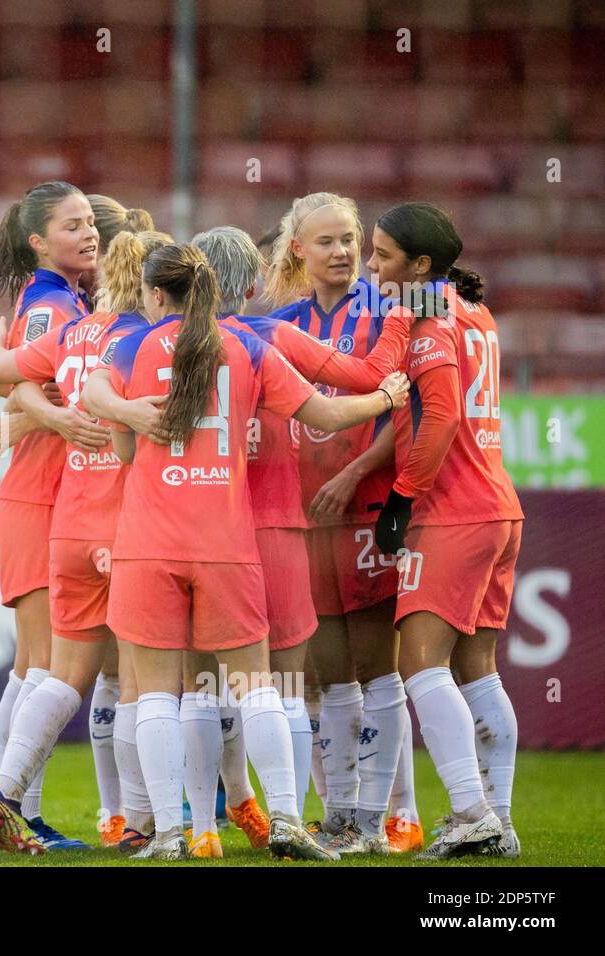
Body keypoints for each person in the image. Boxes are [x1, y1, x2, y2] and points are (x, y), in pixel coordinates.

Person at [90, 243, 407, 861]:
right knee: (259, 687)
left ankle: (165, 835)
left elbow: (106, 415)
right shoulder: (251, 348)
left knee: (158, 693)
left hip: (148, 542)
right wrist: (385, 399)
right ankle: (288, 821)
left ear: (156, 296)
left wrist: (128, 412)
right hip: (227, 542)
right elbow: (328, 411)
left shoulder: (132, 345)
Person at [0, 229, 172, 854]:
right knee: (143, 682)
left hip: (71, 522)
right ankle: (140, 822)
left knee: (59, 678)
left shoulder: (74, 333)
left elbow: (4, 373)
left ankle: (2, 796)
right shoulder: (148, 340)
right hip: (128, 525)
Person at [368, 202, 522, 859]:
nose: (372, 266)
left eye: (383, 256)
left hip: (453, 510)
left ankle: (469, 812)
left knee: (419, 666)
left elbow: (441, 420)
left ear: (421, 265)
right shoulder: (474, 311)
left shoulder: (430, 315)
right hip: (498, 506)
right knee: (477, 670)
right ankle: (499, 823)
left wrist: (402, 499)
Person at [264, 192, 413, 853]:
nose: (343, 251)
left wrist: (353, 474)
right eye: (326, 241)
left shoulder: (389, 314)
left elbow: (406, 410)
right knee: (329, 675)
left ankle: (382, 819)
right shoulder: (284, 322)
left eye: (350, 238)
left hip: (368, 507)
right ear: (298, 249)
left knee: (379, 669)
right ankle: (345, 815)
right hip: (307, 519)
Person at [0, 181, 99, 850]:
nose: (88, 233)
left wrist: (25, 417)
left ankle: (15, 810)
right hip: (38, 497)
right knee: (45, 663)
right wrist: (45, 418)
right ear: (38, 241)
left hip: (48, 493)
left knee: (33, 664)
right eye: (72, 224)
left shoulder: (68, 298)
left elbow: (11, 379)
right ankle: (15, 808)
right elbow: (10, 377)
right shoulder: (51, 302)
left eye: (89, 222)